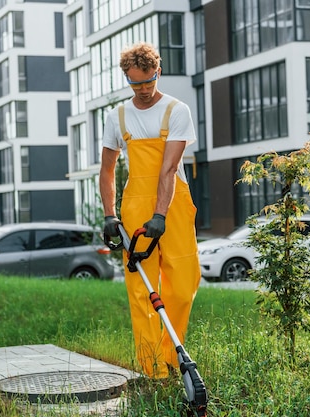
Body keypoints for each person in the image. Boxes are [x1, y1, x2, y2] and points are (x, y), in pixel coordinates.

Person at [99, 42, 201, 379]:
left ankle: (171, 357)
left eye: (148, 80)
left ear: (158, 72)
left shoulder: (177, 110)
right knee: (141, 291)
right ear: (126, 78)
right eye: (135, 83)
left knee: (183, 285)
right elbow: (107, 170)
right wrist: (109, 214)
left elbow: (169, 170)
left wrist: (160, 214)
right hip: (134, 204)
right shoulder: (117, 116)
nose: (143, 89)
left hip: (171, 204)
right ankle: (151, 369)